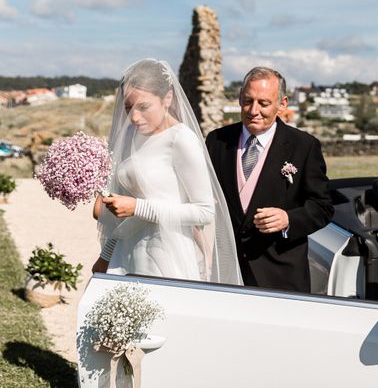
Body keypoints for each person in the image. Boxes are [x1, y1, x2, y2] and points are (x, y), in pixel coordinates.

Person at [91, 59, 242, 285]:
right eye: (128, 107)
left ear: (167, 98)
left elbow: (204, 212)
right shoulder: (132, 136)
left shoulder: (181, 139)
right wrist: (106, 256)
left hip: (165, 259)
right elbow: (122, 215)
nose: (133, 117)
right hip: (125, 256)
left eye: (143, 107)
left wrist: (137, 207)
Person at [205, 67, 334, 293]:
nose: (254, 110)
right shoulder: (216, 141)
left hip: (280, 275)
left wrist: (288, 219)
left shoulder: (303, 146)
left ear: (282, 104)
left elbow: (323, 207)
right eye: (247, 101)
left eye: (263, 103)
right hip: (224, 273)